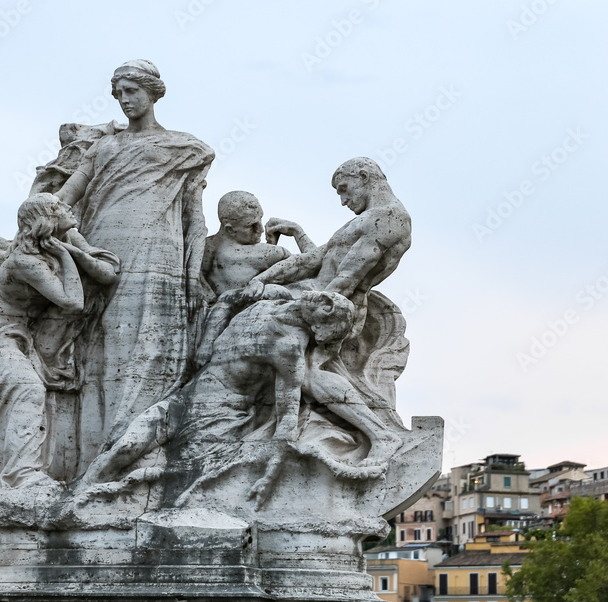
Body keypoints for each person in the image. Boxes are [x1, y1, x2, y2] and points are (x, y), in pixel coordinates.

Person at [77, 290, 401, 507]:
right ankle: (72, 502)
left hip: (222, 415)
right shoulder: (266, 300)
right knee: (125, 447)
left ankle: (379, 434)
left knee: (176, 486)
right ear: (322, 310)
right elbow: (228, 299)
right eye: (330, 330)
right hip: (182, 400)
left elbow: (288, 408)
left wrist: (274, 461)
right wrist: (212, 329)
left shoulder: (289, 345)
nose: (325, 339)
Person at [54, 60, 215, 458]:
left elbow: (195, 220)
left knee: (152, 342)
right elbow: (60, 203)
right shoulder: (103, 148)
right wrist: (73, 240)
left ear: (153, 92)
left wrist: (193, 274)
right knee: (102, 344)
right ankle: (99, 450)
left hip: (159, 255)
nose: (124, 100)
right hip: (102, 254)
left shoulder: (185, 149)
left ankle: (137, 450)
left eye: (132, 91)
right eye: (118, 93)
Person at [0, 193, 118, 490]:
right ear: (45, 221)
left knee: (34, 389)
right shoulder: (24, 262)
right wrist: (68, 256)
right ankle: (21, 474)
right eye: (57, 207)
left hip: (21, 335)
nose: (67, 206)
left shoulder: (68, 234)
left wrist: (75, 252)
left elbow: (107, 273)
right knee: (26, 386)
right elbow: (72, 302)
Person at [246, 157, 411, 338]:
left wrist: (303, 308)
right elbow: (315, 261)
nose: (343, 201)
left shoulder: (390, 218)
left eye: (344, 189)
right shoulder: (366, 219)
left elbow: (345, 281)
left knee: (236, 310)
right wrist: (260, 279)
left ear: (363, 177)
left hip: (323, 307)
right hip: (310, 294)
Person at [195, 191, 290, 366]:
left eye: (261, 219)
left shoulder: (198, 249)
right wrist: (298, 233)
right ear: (229, 228)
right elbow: (317, 267)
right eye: (252, 225)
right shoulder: (266, 253)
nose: (261, 229)